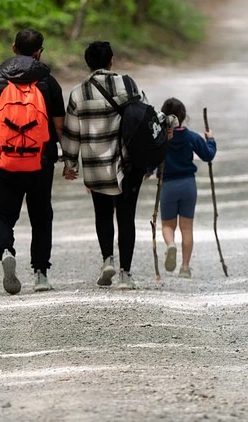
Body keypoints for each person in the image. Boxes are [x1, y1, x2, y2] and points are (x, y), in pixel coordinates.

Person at [0, 29, 65, 295]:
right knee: (42, 216)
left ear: (13, 48)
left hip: (3, 159)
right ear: (39, 52)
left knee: (2, 215)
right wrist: (66, 158)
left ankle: (7, 250)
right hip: (40, 160)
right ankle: (41, 274)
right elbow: (58, 125)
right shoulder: (48, 81)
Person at [60, 40, 150, 291]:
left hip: (95, 165)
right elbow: (145, 117)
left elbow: (71, 133)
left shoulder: (78, 92)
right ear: (112, 60)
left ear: (88, 64)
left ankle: (107, 259)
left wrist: (69, 163)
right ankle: (125, 274)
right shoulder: (128, 84)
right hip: (128, 164)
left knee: (102, 213)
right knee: (126, 217)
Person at [157, 98, 216, 278]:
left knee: (168, 225)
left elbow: (151, 158)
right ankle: (184, 267)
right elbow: (208, 155)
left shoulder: (161, 139)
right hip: (188, 185)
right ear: (183, 117)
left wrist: (147, 171)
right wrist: (211, 140)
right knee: (187, 228)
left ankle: (170, 245)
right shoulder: (190, 137)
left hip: (167, 185)